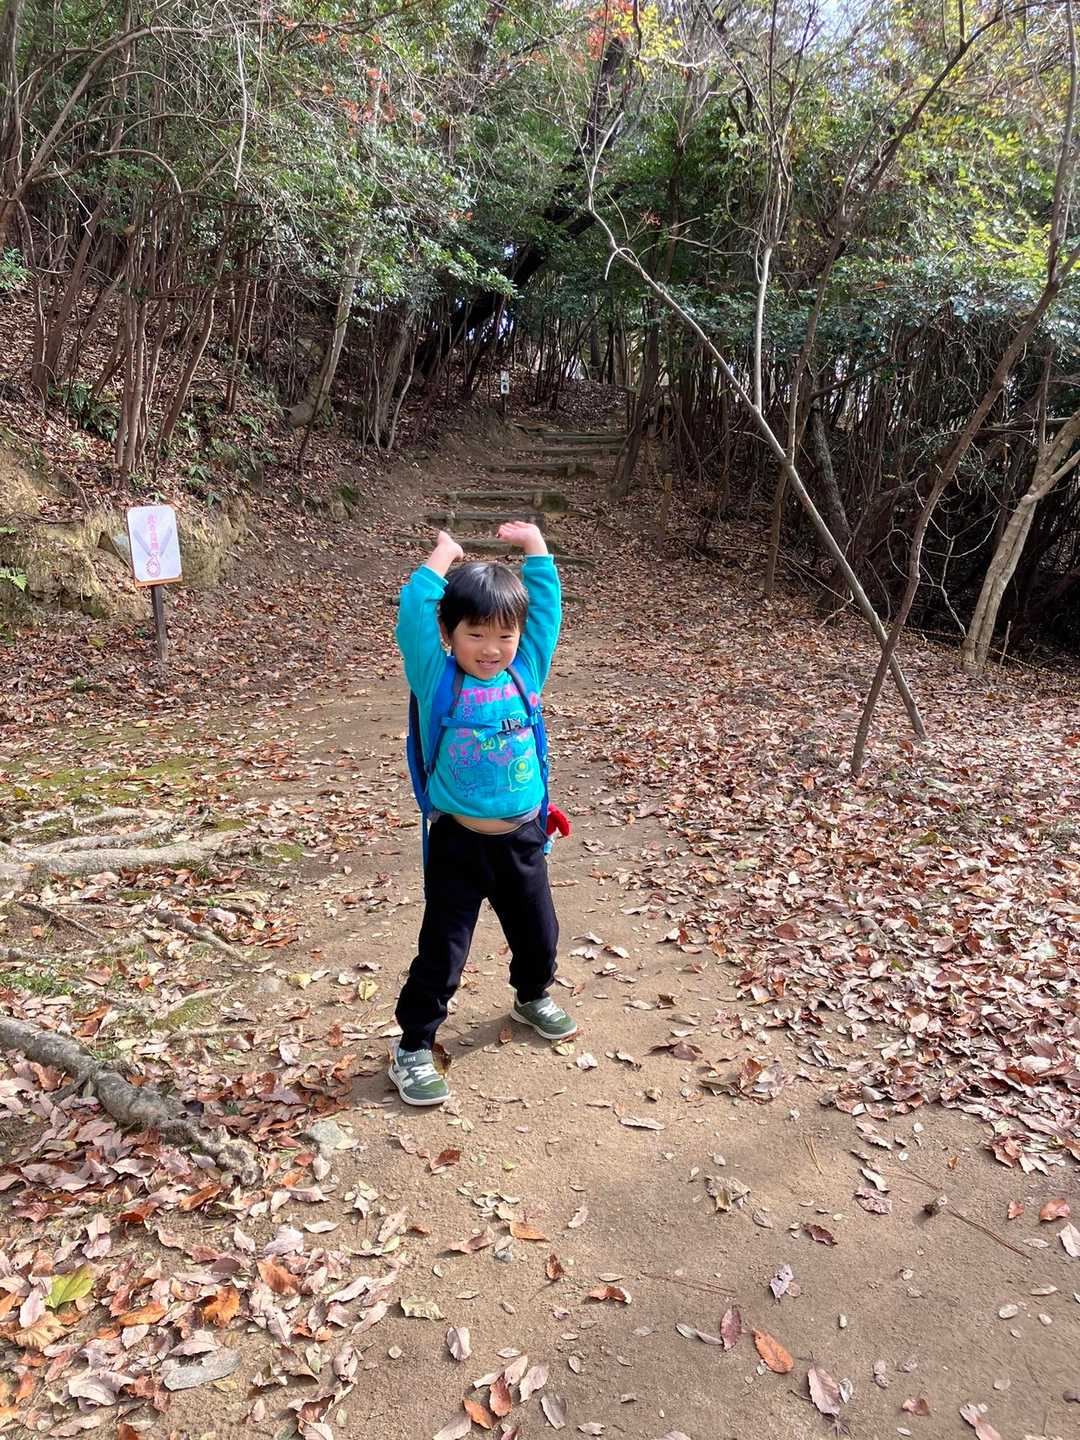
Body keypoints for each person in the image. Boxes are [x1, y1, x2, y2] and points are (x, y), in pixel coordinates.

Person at [389, 521, 577, 1106]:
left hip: (522, 838)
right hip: (458, 844)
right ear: (449, 633)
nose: (491, 649)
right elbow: (412, 616)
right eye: (475, 634)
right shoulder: (436, 677)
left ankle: (531, 995)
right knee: (443, 951)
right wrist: (442, 557)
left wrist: (537, 548)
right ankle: (413, 1046)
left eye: (504, 635)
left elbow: (546, 613)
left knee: (539, 934)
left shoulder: (527, 670)